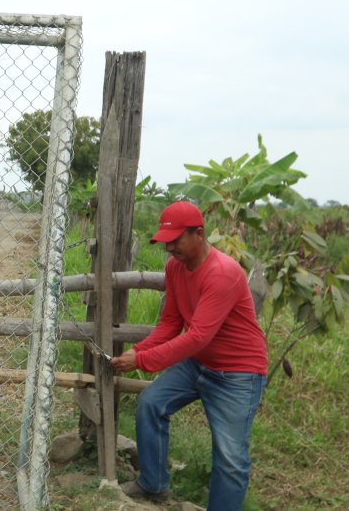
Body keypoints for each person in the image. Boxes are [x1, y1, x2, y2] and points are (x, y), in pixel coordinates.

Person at [110, 200, 268, 510]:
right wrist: (139, 350)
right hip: (200, 363)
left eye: (175, 241)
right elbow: (171, 322)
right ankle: (153, 484)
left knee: (230, 456)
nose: (169, 249)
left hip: (238, 372)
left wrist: (141, 361)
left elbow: (197, 336)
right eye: (165, 242)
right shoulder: (175, 267)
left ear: (199, 233)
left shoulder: (222, 273)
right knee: (152, 403)